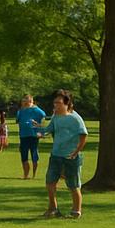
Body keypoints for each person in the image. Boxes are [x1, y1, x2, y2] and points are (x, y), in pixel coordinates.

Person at [36, 89, 88, 219]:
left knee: (73, 185)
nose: (55, 105)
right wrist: (40, 130)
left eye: (58, 103)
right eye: (55, 103)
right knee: (50, 182)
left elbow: (83, 136)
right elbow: (49, 129)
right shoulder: (56, 116)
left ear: (67, 103)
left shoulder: (76, 119)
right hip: (56, 155)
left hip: (71, 157)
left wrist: (76, 152)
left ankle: (76, 211)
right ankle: (53, 208)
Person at [15, 95, 47, 179]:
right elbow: (18, 120)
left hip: (33, 135)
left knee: (34, 155)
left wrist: (38, 126)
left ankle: (34, 175)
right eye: (23, 102)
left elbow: (43, 116)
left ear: (31, 102)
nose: (25, 103)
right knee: (24, 155)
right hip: (23, 135)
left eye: (27, 102)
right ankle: (26, 175)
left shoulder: (36, 110)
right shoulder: (21, 111)